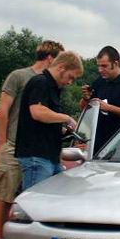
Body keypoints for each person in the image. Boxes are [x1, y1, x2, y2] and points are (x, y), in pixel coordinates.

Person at [0, 40, 65, 239]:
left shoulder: (53, 83)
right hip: (13, 144)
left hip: (39, 147)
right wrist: (2, 142)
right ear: (50, 58)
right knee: (5, 193)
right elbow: (3, 109)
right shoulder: (19, 76)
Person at [15, 51, 83, 191]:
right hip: (37, 156)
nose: (70, 82)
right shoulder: (41, 82)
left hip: (50, 156)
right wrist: (66, 118)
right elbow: (37, 112)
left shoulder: (54, 88)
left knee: (58, 196)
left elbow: (46, 121)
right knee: (37, 203)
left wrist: (64, 131)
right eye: (71, 77)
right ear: (61, 67)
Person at [80, 46, 120, 153]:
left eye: (104, 66)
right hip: (100, 148)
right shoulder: (99, 83)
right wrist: (85, 98)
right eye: (99, 66)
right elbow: (84, 109)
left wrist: (109, 108)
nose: (100, 70)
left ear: (116, 64)